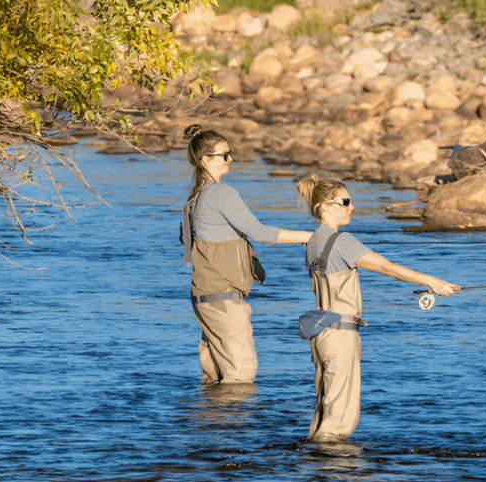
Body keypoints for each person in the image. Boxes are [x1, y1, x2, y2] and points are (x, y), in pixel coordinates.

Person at [297, 175, 458, 442]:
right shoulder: (341, 241)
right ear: (324, 206)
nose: (352, 208)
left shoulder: (314, 242)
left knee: (323, 413)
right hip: (341, 335)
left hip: (321, 335)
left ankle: (312, 471)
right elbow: (386, 267)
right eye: (345, 202)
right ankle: (330, 478)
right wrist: (433, 281)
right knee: (336, 423)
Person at [182, 126, 312, 385]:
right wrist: (310, 237)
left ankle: (209, 425)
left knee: (214, 377)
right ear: (205, 160)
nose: (230, 160)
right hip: (223, 301)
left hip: (205, 298)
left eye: (231, 153)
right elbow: (259, 232)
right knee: (241, 375)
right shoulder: (221, 193)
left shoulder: (195, 199)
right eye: (224, 155)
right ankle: (235, 426)